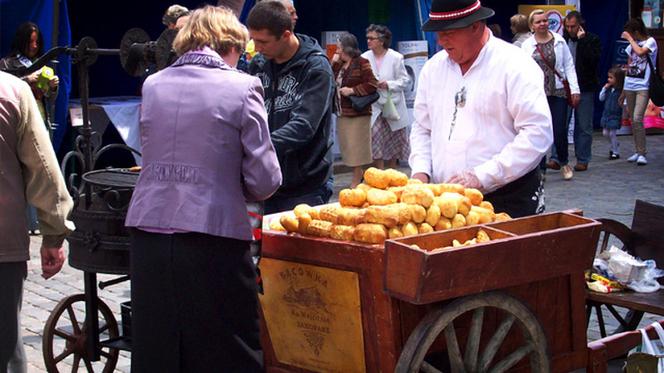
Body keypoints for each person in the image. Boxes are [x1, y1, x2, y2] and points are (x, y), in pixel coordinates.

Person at [124, 6, 282, 372]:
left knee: (158, 346)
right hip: (213, 235)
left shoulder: (153, 84)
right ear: (230, 45)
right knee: (228, 348)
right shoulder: (243, 86)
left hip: (149, 234)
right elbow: (265, 179)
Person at [410, 0, 553, 218]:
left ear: (475, 27)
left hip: (507, 197)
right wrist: (421, 171)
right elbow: (422, 127)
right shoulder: (433, 69)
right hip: (445, 203)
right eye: (437, 32)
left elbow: (537, 133)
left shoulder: (515, 64)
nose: (440, 40)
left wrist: (483, 176)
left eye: (448, 32)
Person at [0, 70, 73, 373]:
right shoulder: (11, 91)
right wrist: (54, 233)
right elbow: (43, 167)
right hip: (3, 242)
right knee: (4, 345)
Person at [247, 0, 335, 214]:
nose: (257, 48)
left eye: (263, 42)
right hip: (264, 181)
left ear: (286, 35)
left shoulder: (316, 68)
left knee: (297, 248)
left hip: (305, 186)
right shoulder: (257, 65)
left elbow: (303, 126)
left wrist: (256, 148)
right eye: (253, 40)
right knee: (261, 246)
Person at [0, 22, 60, 235]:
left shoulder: (42, 63)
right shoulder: (7, 63)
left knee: (41, 168)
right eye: (30, 41)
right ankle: (22, 219)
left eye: (37, 42)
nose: (34, 46)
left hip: (40, 117)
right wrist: (26, 80)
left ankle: (39, 221)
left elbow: (50, 98)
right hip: (15, 122)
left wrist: (53, 87)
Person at [522, 9, 580, 181]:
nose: (542, 24)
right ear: (532, 26)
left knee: (559, 129)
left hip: (558, 91)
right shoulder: (527, 45)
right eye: (538, 22)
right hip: (537, 93)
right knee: (538, 130)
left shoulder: (559, 41)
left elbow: (569, 66)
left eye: (545, 21)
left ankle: (563, 162)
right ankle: (540, 169)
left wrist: (575, 89)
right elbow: (523, 70)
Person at [361, 24, 411, 172]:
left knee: (395, 138)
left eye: (372, 38)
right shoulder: (364, 57)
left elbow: (405, 81)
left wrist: (388, 84)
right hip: (374, 104)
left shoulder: (396, 57)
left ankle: (393, 172)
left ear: (381, 40)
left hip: (393, 104)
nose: (368, 41)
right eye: (367, 38)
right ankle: (379, 172)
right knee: (375, 136)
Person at [332, 32, 378, 187]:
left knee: (357, 148)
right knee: (347, 147)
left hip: (358, 113)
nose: (337, 50)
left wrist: (352, 90)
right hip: (342, 111)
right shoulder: (339, 64)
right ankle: (363, 176)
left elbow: (372, 84)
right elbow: (330, 80)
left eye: (339, 46)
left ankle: (357, 178)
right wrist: (333, 63)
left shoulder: (361, 62)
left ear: (346, 47)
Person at [563, 11, 602, 172]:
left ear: (580, 25)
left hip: (585, 87)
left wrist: (583, 41)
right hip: (565, 88)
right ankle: (557, 157)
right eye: (568, 26)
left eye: (573, 26)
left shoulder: (592, 40)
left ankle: (583, 158)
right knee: (560, 124)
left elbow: (592, 61)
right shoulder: (562, 40)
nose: (571, 29)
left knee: (583, 125)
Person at [621, 18, 657, 166]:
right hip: (630, 84)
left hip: (643, 85)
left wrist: (629, 39)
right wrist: (623, 90)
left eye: (631, 34)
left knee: (637, 118)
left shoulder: (650, 42)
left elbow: (641, 52)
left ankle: (642, 152)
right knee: (632, 119)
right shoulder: (631, 45)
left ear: (636, 32)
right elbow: (630, 63)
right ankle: (637, 150)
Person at [599, 67, 625, 160]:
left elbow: (623, 102)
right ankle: (615, 144)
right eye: (608, 77)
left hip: (615, 115)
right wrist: (604, 89)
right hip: (606, 114)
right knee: (605, 133)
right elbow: (601, 98)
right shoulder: (608, 90)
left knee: (612, 133)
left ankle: (615, 151)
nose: (608, 79)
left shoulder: (620, 91)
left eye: (611, 78)